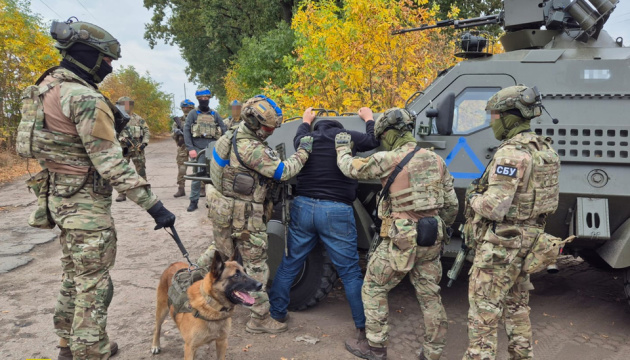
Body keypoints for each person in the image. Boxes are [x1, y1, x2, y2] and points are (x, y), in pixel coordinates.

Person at [18, 19, 175, 360]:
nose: (109, 67)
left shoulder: (45, 87)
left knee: (74, 274)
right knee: (94, 281)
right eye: (107, 60)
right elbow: (112, 165)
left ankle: (66, 345)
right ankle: (91, 348)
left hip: (58, 196)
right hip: (85, 204)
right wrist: (155, 206)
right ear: (89, 56)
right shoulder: (84, 97)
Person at [336, 108, 458, 360]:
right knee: (430, 295)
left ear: (390, 134)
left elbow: (350, 168)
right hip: (431, 235)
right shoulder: (437, 161)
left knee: (373, 287)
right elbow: (451, 205)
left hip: (402, 238)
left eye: (382, 136)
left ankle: (376, 347)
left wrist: (342, 147)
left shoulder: (388, 158)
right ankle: (433, 353)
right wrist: (437, 229)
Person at [196, 95, 314, 334]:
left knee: (220, 254)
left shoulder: (232, 133)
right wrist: (303, 150)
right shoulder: (251, 148)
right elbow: (284, 170)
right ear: (255, 123)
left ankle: (191, 281)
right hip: (245, 216)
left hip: (225, 210)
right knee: (257, 267)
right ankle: (259, 319)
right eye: (269, 127)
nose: (271, 131)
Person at [462, 85, 560, 360]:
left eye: (494, 116)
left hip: (503, 243)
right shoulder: (544, 149)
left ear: (509, 117)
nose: (492, 122)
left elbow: (494, 207)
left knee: (484, 309)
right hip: (529, 239)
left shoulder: (511, 153)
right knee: (517, 306)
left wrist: (473, 199)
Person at [268, 107, 380, 335]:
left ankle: (277, 313)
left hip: (304, 206)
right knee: (349, 271)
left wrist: (306, 120)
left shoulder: (306, 139)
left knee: (290, 263)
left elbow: (297, 135)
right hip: (336, 210)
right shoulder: (347, 137)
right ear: (339, 129)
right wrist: (369, 118)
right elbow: (372, 140)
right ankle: (363, 328)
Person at [183, 88, 226, 212]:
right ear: (198, 99)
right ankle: (193, 201)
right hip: (198, 149)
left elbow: (224, 130)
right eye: (201, 98)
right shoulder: (193, 114)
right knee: (197, 176)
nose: (204, 100)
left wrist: (224, 147)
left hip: (214, 149)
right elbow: (186, 131)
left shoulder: (214, 114)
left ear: (209, 98)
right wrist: (190, 148)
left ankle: (214, 200)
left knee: (216, 175)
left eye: (206, 98)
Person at [115, 96, 150, 202]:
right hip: (124, 149)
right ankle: (122, 193)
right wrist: (121, 138)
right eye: (123, 104)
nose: (126, 106)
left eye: (128, 104)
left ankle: (145, 191)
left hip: (137, 148)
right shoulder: (117, 119)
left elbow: (147, 131)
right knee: (122, 170)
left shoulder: (138, 119)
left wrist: (144, 143)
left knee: (141, 170)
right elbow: (112, 132)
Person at [172, 99, 195, 197]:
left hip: (194, 146)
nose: (185, 109)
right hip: (182, 146)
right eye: (184, 107)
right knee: (182, 168)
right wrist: (176, 132)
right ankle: (181, 188)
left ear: (191, 108)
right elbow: (173, 136)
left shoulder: (196, 119)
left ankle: (201, 188)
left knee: (198, 168)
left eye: (187, 107)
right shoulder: (178, 121)